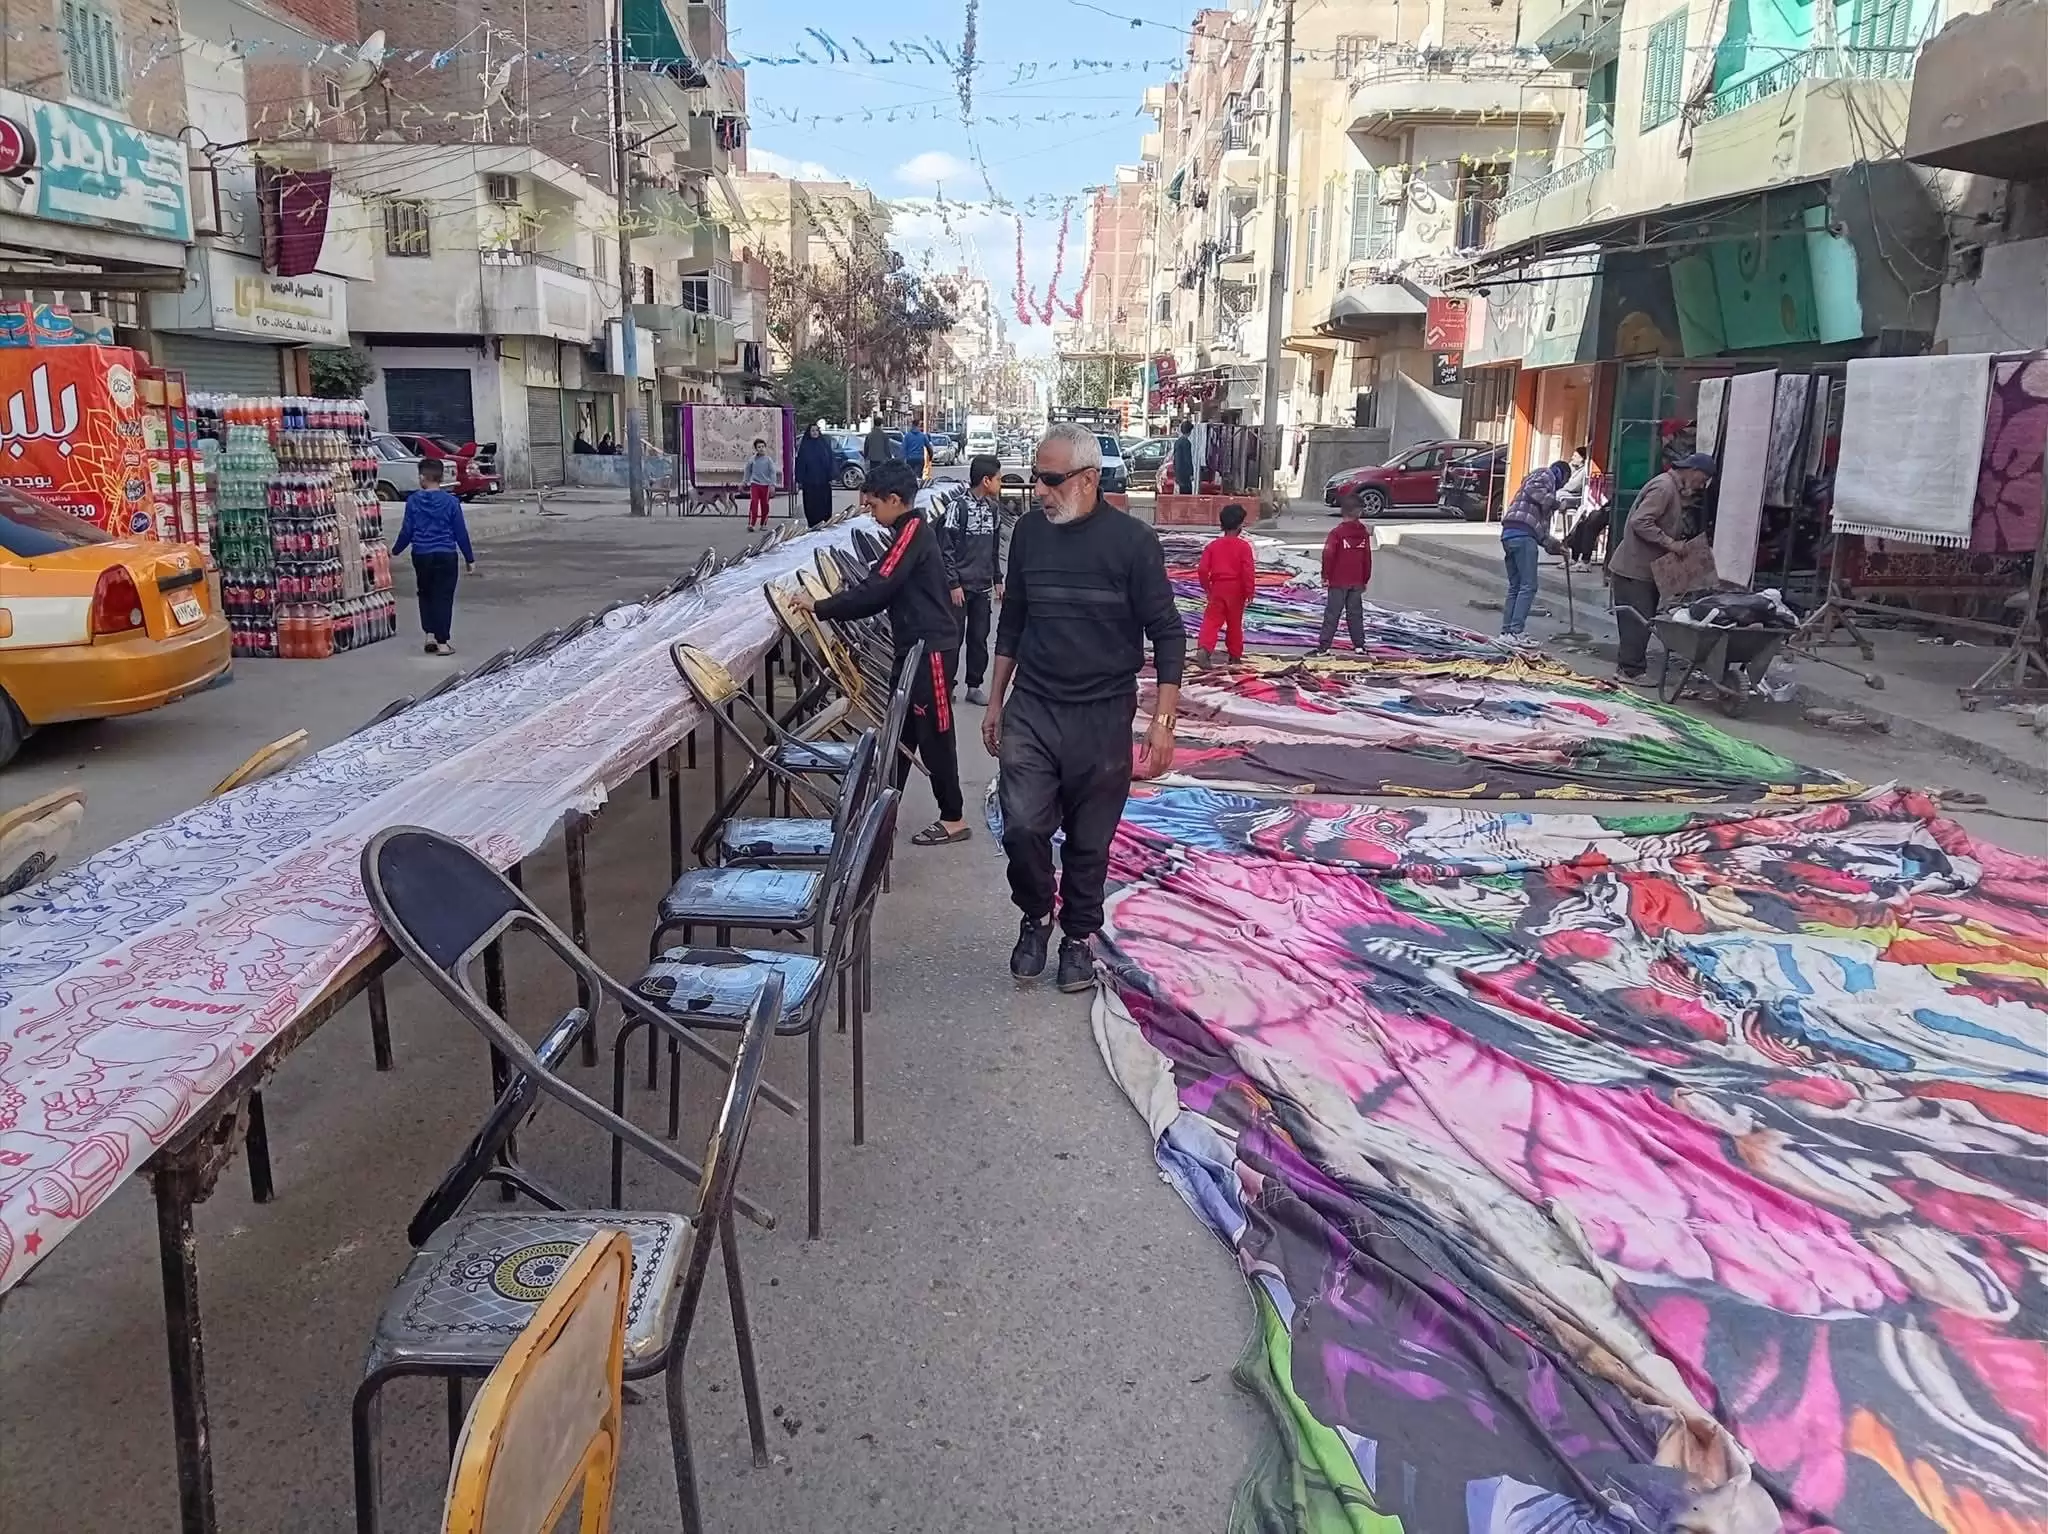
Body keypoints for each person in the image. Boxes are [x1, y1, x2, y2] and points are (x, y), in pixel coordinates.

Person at [984, 422, 1184, 993]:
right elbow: (1013, 622)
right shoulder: (1028, 534)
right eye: (1035, 480)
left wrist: (1163, 724)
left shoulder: (1132, 543)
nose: (1039, 491)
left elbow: (1169, 636)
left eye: (1051, 480)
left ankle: (1077, 938)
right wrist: (996, 702)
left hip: (1103, 716)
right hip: (1034, 708)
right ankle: (1035, 915)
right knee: (1022, 827)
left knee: (1090, 842)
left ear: (1090, 479)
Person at [792, 460, 969, 848]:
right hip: (913, 648)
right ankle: (881, 813)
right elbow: (879, 586)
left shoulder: (912, 533)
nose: (871, 514)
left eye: (873, 506)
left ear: (894, 500)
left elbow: (876, 589)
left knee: (936, 736)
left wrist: (819, 605)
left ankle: (953, 816)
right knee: (899, 735)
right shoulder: (906, 531)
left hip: (932, 651)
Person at [1610, 452, 1715, 682]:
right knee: (1635, 622)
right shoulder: (1664, 488)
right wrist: (1670, 543)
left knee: (1642, 619)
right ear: (1693, 470)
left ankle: (1630, 668)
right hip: (1633, 570)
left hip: (1646, 569)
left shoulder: (1673, 489)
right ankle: (1630, 671)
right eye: (1701, 479)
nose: (1700, 485)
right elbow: (1640, 521)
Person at [936, 453, 1005, 704]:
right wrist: (953, 583)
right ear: (986, 480)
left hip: (982, 586)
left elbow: (994, 547)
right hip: (960, 588)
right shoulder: (958, 508)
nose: (1000, 484)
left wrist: (997, 578)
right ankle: (947, 686)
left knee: (979, 637)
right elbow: (947, 550)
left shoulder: (994, 509)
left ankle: (974, 685)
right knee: (952, 639)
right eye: (998, 479)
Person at [391, 457, 474, 656]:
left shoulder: (413, 501)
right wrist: (469, 558)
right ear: (440, 477)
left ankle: (429, 635)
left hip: (422, 555)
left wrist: (395, 551)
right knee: (443, 597)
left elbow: (407, 531)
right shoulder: (451, 502)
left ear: (422, 477)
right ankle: (443, 643)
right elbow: (460, 532)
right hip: (446, 554)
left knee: (425, 594)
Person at [1500, 461, 1571, 643]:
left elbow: (1541, 533)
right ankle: (1516, 631)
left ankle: (1506, 632)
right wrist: (1557, 504)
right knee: (1528, 586)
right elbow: (1533, 489)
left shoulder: (1543, 497)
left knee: (1516, 586)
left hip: (1510, 534)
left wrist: (1557, 547)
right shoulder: (1545, 474)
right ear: (1561, 474)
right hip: (1523, 535)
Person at [1194, 502, 1256, 666]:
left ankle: (1204, 648)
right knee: (1234, 623)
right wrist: (1250, 591)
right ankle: (1235, 655)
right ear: (1240, 525)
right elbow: (1248, 571)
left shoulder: (1212, 546)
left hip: (1217, 587)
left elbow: (1201, 570)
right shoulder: (1244, 547)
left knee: (1211, 621)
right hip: (1237, 589)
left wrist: (1207, 588)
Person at [1314, 492, 1373, 654]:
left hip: (1338, 581)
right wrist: (1365, 578)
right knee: (1355, 614)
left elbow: (1328, 555)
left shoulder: (1336, 533)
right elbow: (1367, 557)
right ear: (1360, 512)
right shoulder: (1364, 534)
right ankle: (1359, 645)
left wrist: (1325, 576)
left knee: (1333, 613)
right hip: (1357, 581)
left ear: (1343, 511)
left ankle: (1324, 646)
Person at [794, 422, 837, 529]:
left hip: (823, 481)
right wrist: (799, 479)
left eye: (816, 430)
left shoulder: (824, 444)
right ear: (809, 432)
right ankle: (812, 523)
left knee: (824, 503)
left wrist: (832, 476)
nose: (815, 433)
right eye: (812, 431)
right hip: (809, 482)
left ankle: (825, 522)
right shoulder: (805, 446)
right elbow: (800, 463)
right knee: (811, 504)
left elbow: (830, 460)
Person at [743, 437, 777, 530]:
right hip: (755, 484)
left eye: (763, 446)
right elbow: (747, 471)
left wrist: (772, 485)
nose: (761, 448)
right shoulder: (752, 460)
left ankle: (763, 524)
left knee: (764, 504)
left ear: (765, 448)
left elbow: (772, 472)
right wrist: (745, 481)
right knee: (754, 503)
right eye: (759, 447)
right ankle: (751, 524)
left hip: (765, 486)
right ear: (755, 449)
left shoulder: (768, 460)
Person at [901, 415, 931, 484]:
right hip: (919, 459)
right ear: (918, 425)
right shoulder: (922, 436)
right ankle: (918, 487)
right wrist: (930, 456)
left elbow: (903, 448)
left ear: (912, 425)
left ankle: (911, 488)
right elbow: (928, 447)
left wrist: (902, 459)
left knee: (910, 475)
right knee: (918, 475)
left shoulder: (907, 436)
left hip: (910, 459)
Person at [1171, 419, 1195, 499]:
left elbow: (1174, 458)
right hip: (1185, 474)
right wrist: (1191, 473)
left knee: (1180, 496)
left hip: (1178, 472)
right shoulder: (1186, 443)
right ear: (1190, 431)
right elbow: (1188, 459)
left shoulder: (1177, 442)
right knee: (1187, 496)